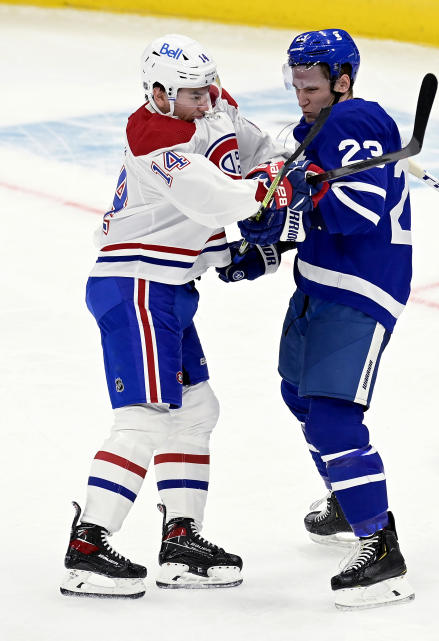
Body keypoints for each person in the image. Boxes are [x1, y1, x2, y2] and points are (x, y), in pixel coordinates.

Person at [61, 33, 313, 598]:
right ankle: (87, 546)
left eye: (207, 89)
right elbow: (219, 199)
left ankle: (181, 541)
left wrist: (284, 177)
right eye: (191, 94)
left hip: (170, 286)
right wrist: (274, 191)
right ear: (157, 91)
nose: (204, 101)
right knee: (146, 418)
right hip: (135, 286)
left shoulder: (215, 107)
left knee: (195, 410)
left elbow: (263, 154)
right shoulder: (154, 140)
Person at [223, 29, 414, 609]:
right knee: (299, 395)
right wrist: (267, 244)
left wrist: (295, 199)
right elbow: (305, 215)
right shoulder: (314, 134)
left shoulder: (354, 121)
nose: (300, 95)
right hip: (321, 285)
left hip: (359, 289)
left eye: (310, 85)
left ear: (342, 81)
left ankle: (380, 548)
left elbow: (359, 211)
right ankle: (348, 497)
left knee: (332, 415)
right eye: (296, 84)